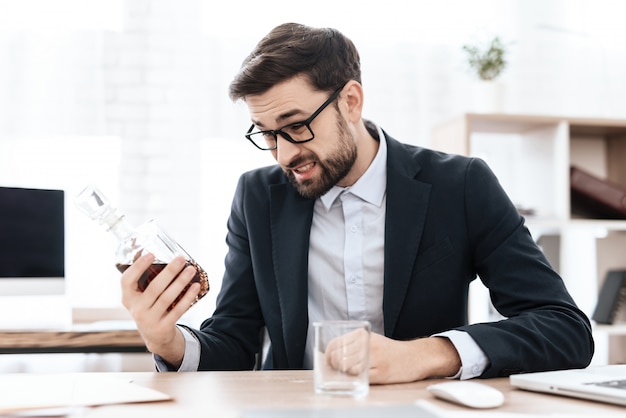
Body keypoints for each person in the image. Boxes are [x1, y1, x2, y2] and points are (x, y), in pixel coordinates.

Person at [120, 22, 594, 383]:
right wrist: (168, 342)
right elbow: (235, 344)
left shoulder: (461, 185)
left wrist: (427, 353)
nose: (285, 154)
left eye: (296, 125)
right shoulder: (257, 197)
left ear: (351, 101)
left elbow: (565, 329)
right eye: (266, 135)